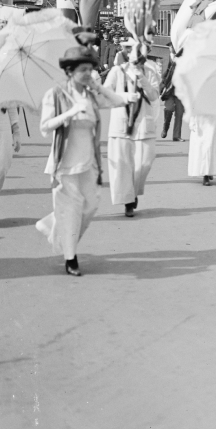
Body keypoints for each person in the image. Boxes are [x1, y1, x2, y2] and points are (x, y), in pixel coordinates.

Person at [36, 46, 127, 276]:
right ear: (69, 71)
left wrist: (97, 87)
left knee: (90, 207)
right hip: (65, 163)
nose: (88, 73)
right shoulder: (55, 95)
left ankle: (52, 225)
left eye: (90, 69)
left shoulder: (90, 94)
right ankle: (70, 258)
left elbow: (117, 101)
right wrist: (69, 113)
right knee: (71, 209)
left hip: (89, 162)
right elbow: (45, 128)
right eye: (83, 70)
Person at [104, 40, 161, 217]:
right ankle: (128, 201)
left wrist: (141, 78)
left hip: (143, 122)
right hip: (121, 122)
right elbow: (105, 94)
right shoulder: (117, 71)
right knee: (123, 164)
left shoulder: (149, 72)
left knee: (145, 162)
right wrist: (126, 96)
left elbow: (153, 96)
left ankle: (133, 191)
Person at [0, 98, 21, 229]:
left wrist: (16, 131)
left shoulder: (5, 77)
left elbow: (12, 103)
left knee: (3, 163)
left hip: (3, 119)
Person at [160, 44, 185, 141]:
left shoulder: (184, 59)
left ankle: (176, 136)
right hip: (169, 90)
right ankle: (165, 128)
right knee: (169, 109)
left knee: (179, 112)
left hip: (180, 90)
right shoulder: (168, 59)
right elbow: (163, 75)